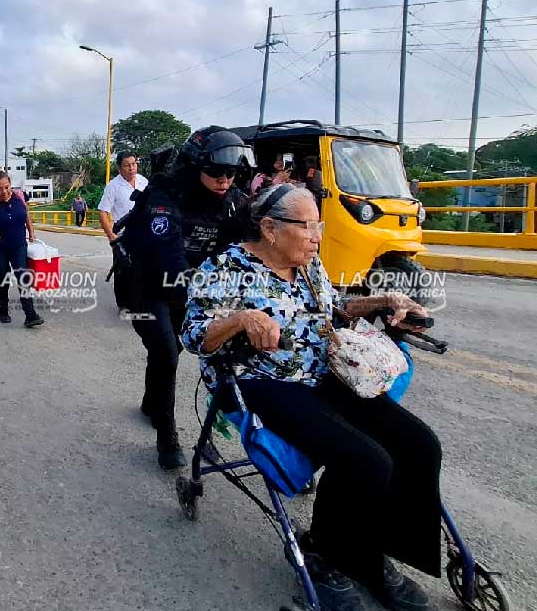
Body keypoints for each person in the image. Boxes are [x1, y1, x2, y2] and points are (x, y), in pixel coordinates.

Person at [181, 183, 440, 611]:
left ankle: (372, 552)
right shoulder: (224, 268)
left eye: (319, 225)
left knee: (420, 445)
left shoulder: (307, 264)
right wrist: (242, 318)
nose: (318, 235)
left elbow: (333, 309)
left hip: (322, 372)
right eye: (309, 226)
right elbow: (192, 336)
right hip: (261, 381)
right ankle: (326, 554)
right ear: (269, 227)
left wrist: (385, 301)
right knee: (366, 458)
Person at [114, 126, 254, 469]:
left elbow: (252, 249)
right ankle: (167, 436)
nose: (225, 179)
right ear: (195, 166)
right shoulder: (165, 195)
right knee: (166, 349)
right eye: (216, 171)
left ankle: (151, 402)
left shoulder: (234, 202)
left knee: (170, 349)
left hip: (187, 285)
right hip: (145, 283)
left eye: (232, 172)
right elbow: (169, 258)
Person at [0, 171, 44, 328]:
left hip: (18, 245)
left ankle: (30, 315)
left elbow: (26, 214)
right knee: (4, 276)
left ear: (10, 184)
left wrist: (31, 232)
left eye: (7, 187)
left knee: (23, 275)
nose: (4, 192)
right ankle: (3, 309)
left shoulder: (19, 196)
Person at [98, 151, 147, 242]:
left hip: (145, 234)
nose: (131, 168)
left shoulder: (143, 181)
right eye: (127, 165)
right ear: (119, 168)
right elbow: (103, 212)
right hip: (124, 236)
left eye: (134, 164)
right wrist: (111, 236)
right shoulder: (113, 186)